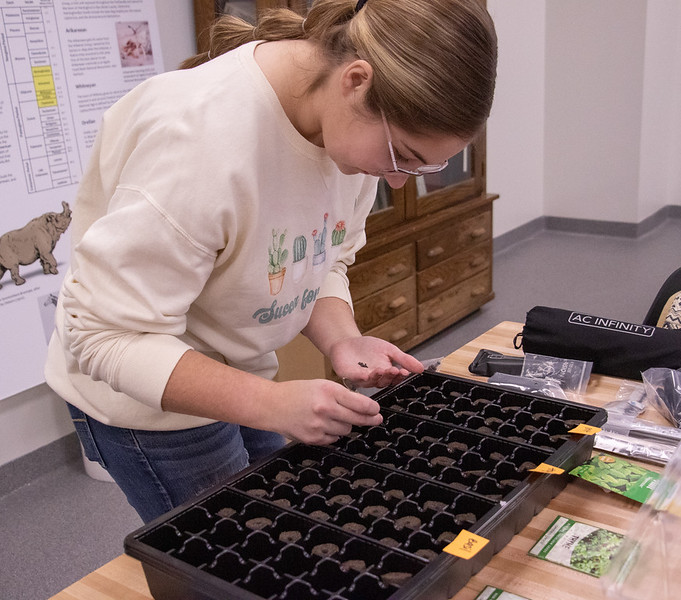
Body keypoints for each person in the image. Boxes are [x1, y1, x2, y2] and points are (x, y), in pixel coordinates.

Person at [45, 0, 497, 523]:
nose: (398, 180)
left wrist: (341, 338)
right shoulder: (200, 144)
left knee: (281, 520)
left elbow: (323, 255)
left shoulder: (348, 127)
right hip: (149, 404)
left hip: (243, 372)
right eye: (405, 157)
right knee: (227, 554)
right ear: (356, 81)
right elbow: (104, 336)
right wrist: (269, 403)